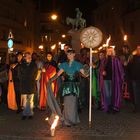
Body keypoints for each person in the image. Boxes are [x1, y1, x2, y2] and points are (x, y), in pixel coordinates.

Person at [54, 48, 87, 127]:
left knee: (73, 103)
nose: (69, 55)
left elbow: (85, 74)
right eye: (68, 54)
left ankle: (73, 120)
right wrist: (51, 80)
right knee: (67, 103)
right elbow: (58, 74)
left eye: (71, 54)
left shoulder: (78, 64)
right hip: (66, 86)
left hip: (74, 86)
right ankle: (67, 120)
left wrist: (90, 69)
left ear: (74, 54)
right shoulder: (64, 64)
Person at [99, 47, 124, 113]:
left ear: (113, 51)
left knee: (113, 93)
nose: (109, 52)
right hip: (105, 80)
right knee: (107, 94)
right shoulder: (104, 60)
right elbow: (100, 69)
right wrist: (102, 72)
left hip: (114, 80)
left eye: (110, 51)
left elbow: (120, 70)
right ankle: (109, 107)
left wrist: (120, 78)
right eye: (108, 51)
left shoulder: (116, 60)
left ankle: (114, 107)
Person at [19, 52, 38, 120]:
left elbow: (36, 73)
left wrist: (33, 79)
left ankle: (30, 114)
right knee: (24, 100)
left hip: (31, 84)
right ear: (24, 57)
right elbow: (19, 75)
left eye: (30, 56)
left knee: (30, 100)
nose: (29, 58)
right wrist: (23, 80)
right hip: (24, 84)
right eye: (27, 56)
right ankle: (24, 114)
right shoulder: (21, 65)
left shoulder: (34, 65)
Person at [128, 46, 140, 112]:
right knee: (135, 93)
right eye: (137, 48)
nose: (138, 50)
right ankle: (136, 107)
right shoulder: (133, 57)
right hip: (134, 79)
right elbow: (129, 65)